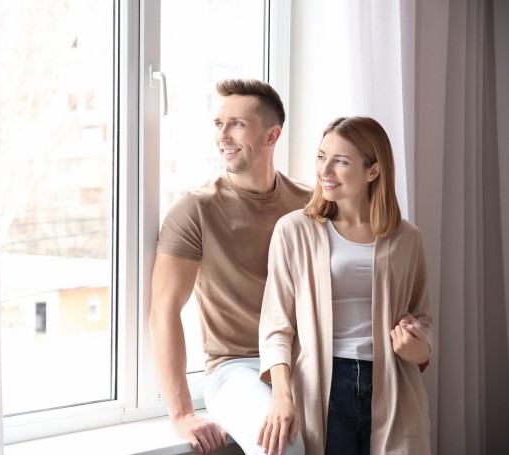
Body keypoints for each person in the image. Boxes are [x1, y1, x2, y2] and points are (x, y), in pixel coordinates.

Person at [149, 78, 311, 455]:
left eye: (236, 124)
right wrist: (182, 413)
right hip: (237, 368)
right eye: (218, 124)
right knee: (283, 449)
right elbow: (163, 311)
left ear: (272, 136)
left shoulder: (309, 204)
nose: (223, 135)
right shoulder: (196, 209)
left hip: (303, 361)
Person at [258, 116, 433, 455]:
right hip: (324, 384)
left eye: (340, 161)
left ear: (373, 171)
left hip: (392, 382)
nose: (325, 171)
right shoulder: (294, 230)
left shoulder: (408, 238)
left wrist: (419, 348)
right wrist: (282, 396)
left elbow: (423, 319)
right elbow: (276, 323)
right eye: (322, 157)